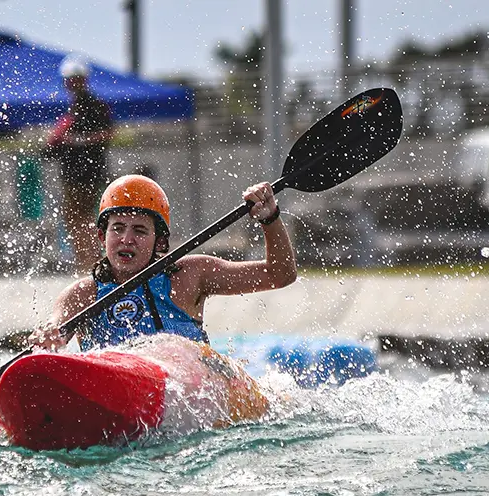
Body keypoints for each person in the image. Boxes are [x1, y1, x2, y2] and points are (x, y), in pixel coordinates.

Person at [32, 174, 296, 351]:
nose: (127, 239)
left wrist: (270, 219)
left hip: (188, 388)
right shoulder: (82, 295)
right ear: (102, 236)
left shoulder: (191, 275)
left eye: (140, 230)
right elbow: (57, 328)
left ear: (159, 242)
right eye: (118, 228)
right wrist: (49, 337)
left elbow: (279, 275)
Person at [43, 55, 114, 274]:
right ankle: (85, 262)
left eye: (75, 79)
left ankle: (90, 263)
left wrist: (75, 141)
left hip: (87, 173)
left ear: (83, 80)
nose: (71, 84)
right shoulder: (73, 109)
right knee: (75, 218)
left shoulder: (93, 106)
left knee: (81, 218)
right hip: (74, 173)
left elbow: (106, 134)